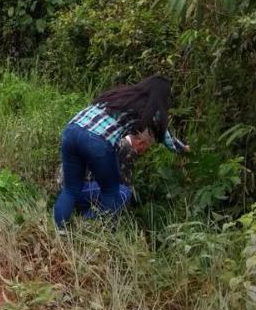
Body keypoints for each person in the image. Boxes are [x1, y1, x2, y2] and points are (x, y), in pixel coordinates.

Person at [53, 75, 189, 228]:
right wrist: (181, 148)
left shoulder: (119, 95)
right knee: (112, 192)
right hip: (97, 140)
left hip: (72, 129)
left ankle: (60, 231)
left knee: (71, 189)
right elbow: (163, 133)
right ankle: (87, 227)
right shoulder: (148, 107)